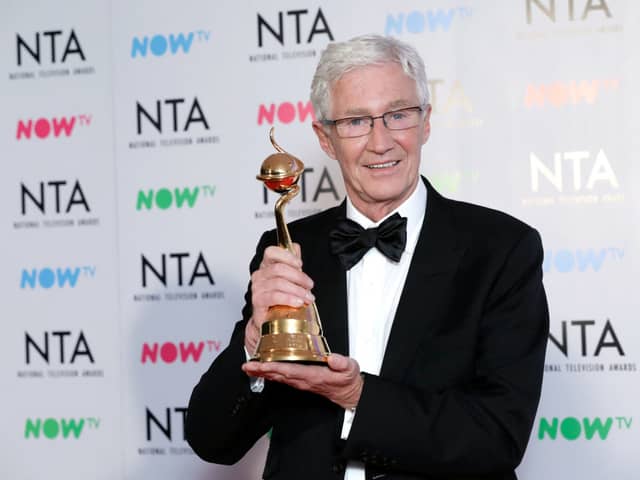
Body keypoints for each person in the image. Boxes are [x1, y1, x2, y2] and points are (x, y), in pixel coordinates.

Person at [186, 34, 549, 480]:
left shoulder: (501, 249)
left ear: (425, 122)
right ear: (324, 137)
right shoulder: (288, 249)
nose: (381, 142)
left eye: (397, 115)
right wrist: (253, 339)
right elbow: (212, 441)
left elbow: (498, 435)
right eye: (356, 121)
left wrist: (356, 395)